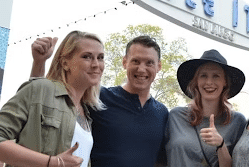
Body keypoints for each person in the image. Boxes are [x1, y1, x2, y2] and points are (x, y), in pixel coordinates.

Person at [30, 35, 168, 166]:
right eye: (135, 61)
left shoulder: (162, 113)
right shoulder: (98, 97)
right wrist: (39, 62)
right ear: (125, 62)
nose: (142, 69)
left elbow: (161, 161)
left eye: (149, 63)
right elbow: (42, 104)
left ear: (159, 66)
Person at [0, 30, 105, 167]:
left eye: (101, 57)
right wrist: (53, 162)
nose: (96, 64)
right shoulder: (41, 88)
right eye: (87, 57)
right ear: (65, 63)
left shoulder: (87, 112)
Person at [165, 49, 246, 167]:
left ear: (225, 82)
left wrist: (221, 145)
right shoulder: (175, 117)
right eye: (203, 76)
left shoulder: (237, 121)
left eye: (216, 76)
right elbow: (159, 159)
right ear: (196, 81)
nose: (209, 82)